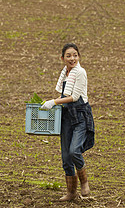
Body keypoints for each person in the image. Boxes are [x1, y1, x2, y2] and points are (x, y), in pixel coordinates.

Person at [41, 43, 95, 201]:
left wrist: (54, 102)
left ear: (79, 56)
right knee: (66, 157)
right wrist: (51, 104)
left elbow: (75, 97)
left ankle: (84, 182)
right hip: (66, 117)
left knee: (74, 151)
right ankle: (71, 193)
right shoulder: (65, 73)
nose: (72, 58)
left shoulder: (80, 73)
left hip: (80, 116)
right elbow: (64, 96)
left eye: (75, 55)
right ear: (62, 58)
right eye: (69, 56)